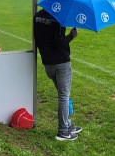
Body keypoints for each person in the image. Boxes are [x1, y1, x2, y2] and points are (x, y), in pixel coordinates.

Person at [33, 8, 81, 141]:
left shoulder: (38, 15)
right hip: (61, 63)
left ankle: (68, 124)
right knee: (64, 97)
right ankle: (63, 131)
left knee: (63, 96)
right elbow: (58, 43)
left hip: (47, 63)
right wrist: (71, 35)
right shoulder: (59, 18)